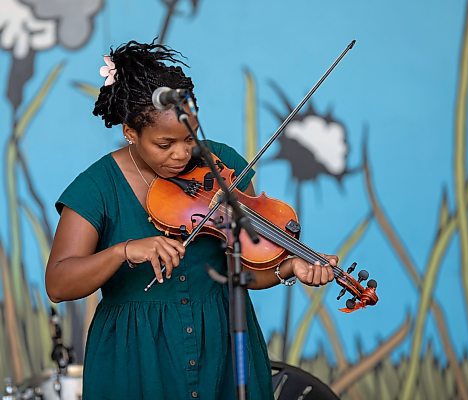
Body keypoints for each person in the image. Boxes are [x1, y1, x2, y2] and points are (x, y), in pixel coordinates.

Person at [45, 40, 338, 400]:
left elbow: (243, 272)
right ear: (130, 133)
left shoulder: (222, 167)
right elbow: (59, 283)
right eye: (164, 145)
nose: (182, 154)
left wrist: (290, 267)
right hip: (137, 356)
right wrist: (123, 251)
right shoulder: (98, 186)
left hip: (222, 346)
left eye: (189, 138)